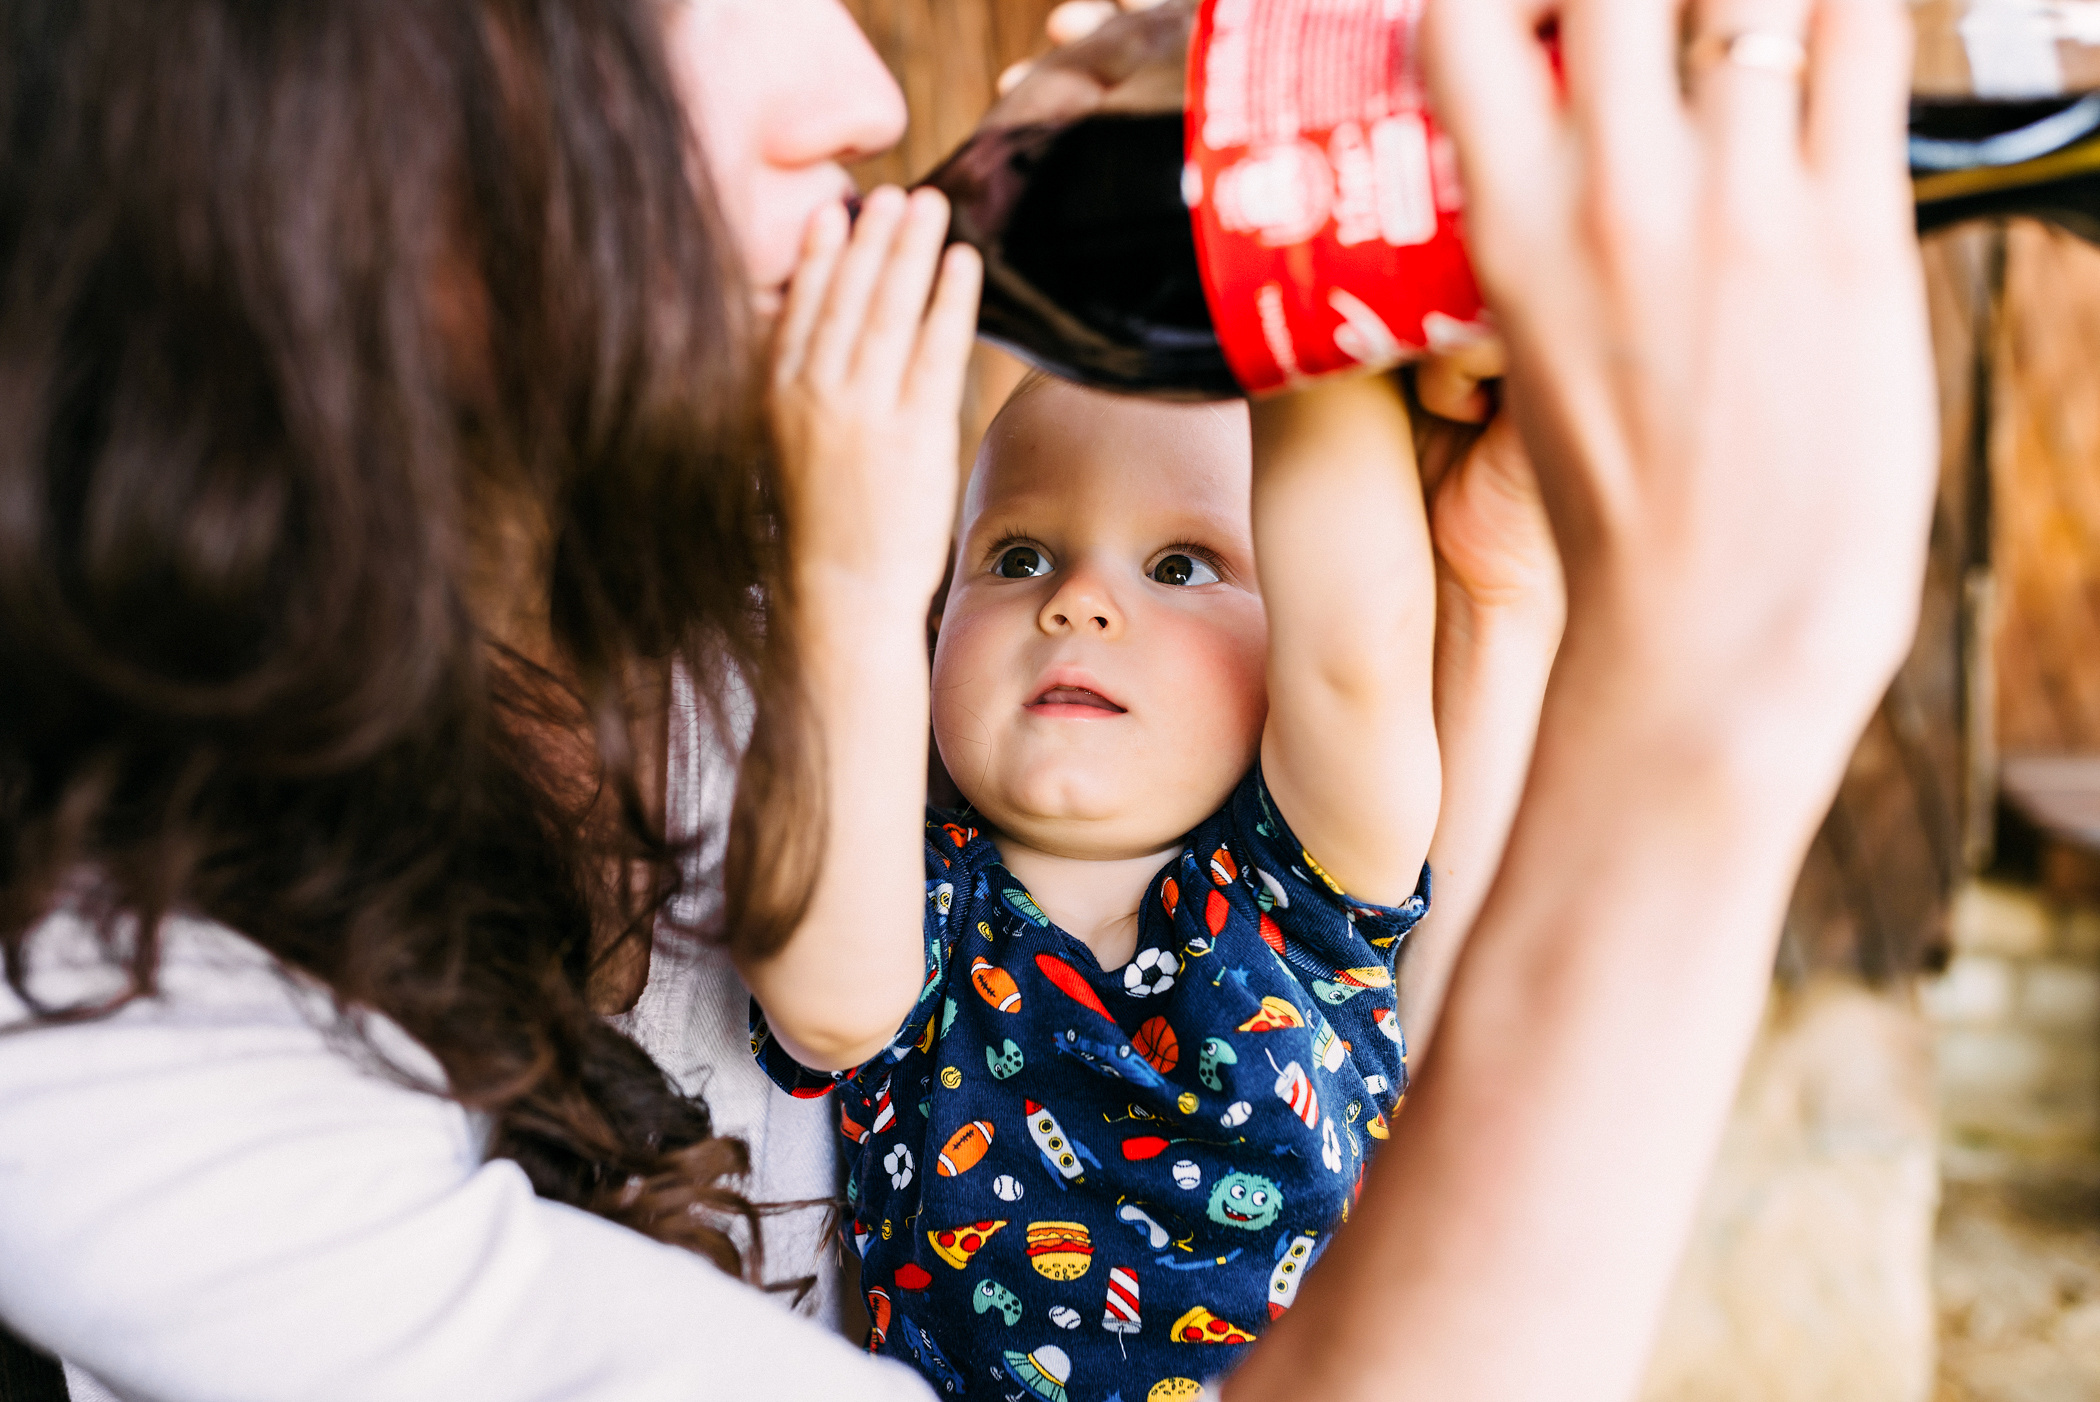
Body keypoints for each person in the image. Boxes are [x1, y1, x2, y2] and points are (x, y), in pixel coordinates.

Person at [0, 0, 1935, 1400]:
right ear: (288, 97)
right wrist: (1715, 711)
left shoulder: (771, 598)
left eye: (1181, 568)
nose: (856, 85)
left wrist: (1421, 466)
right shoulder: (88, 1036)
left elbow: (1392, 832)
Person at [743, 223, 1559, 1393]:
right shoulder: (917, 901)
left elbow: (1358, 646)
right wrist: (852, 590)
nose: (1076, 601)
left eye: (1180, 567)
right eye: (1016, 556)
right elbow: (824, 1009)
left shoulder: (1302, 898)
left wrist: (1281, 253)